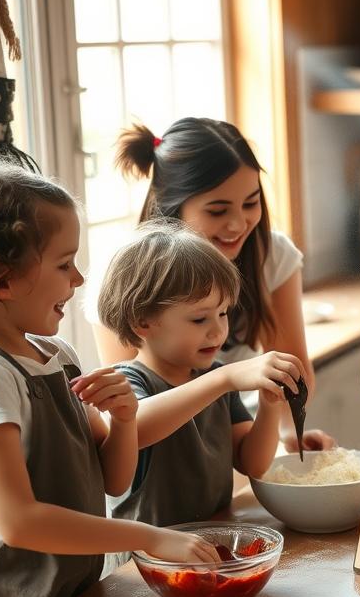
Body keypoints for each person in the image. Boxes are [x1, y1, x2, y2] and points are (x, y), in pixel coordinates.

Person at [0, 165, 217, 597]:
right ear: (3, 280)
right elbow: (19, 522)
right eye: (64, 264)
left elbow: (112, 479)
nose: (79, 278)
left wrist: (126, 420)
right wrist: (150, 537)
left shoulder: (58, 356)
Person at [87, 118, 330, 451]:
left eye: (251, 203)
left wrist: (289, 432)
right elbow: (127, 414)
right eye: (217, 210)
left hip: (234, 439)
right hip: (157, 457)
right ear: (170, 208)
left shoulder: (272, 256)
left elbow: (289, 369)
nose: (238, 224)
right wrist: (224, 380)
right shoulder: (120, 275)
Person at [96, 222, 304, 526]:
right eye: (199, 319)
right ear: (142, 322)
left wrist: (269, 405)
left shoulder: (216, 379)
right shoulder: (127, 381)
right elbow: (137, 426)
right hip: (146, 560)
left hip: (211, 542)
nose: (218, 330)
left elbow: (254, 464)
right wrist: (223, 380)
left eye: (223, 313)